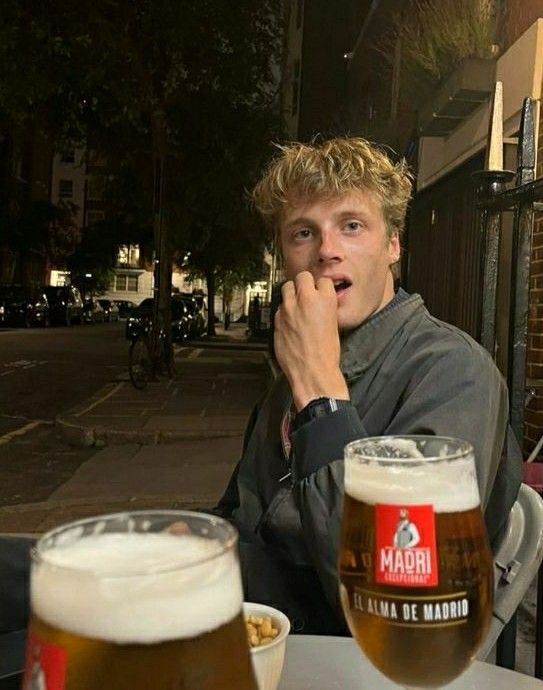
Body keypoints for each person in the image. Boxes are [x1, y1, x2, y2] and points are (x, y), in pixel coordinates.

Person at [214, 137, 522, 635]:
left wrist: (320, 397)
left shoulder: (454, 371)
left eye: (352, 226)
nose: (327, 251)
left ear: (393, 245)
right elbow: (239, 511)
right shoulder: (291, 376)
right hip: (248, 626)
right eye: (302, 233)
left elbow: (398, 601)